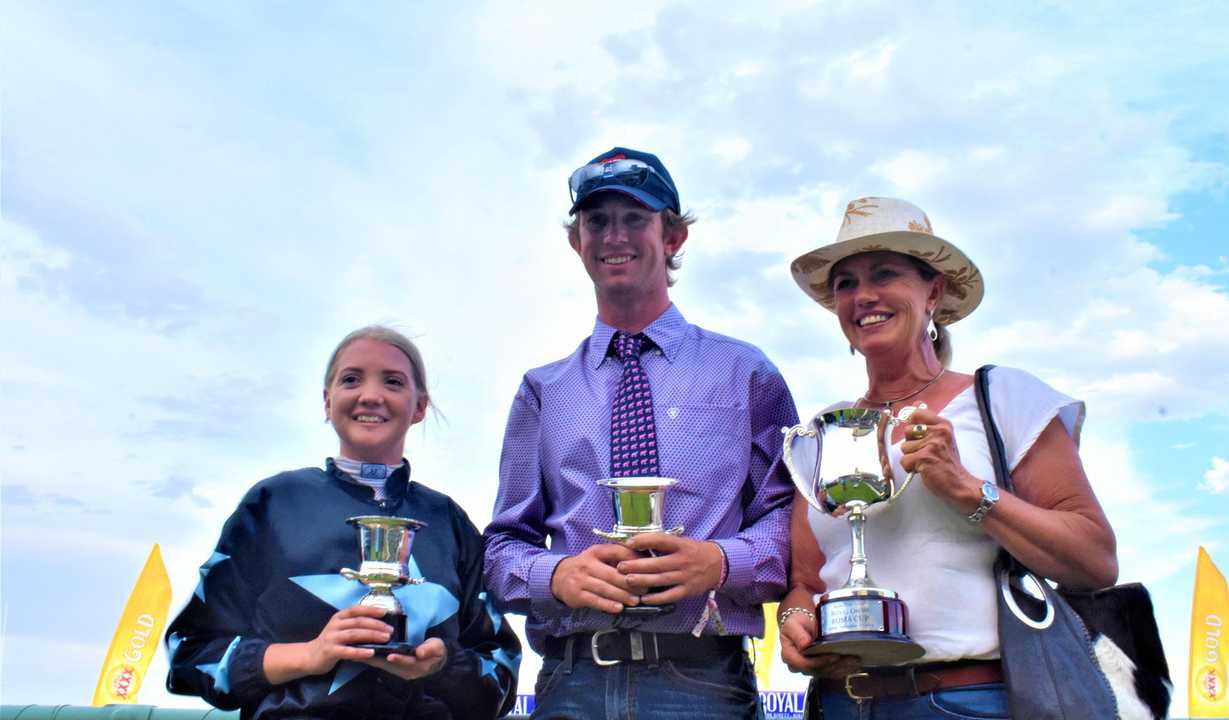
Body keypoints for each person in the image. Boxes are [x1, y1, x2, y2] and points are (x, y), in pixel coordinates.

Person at [483, 147, 799, 719]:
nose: (613, 236)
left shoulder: (746, 374)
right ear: (576, 241)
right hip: (573, 681)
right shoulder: (542, 391)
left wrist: (721, 563)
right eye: (596, 221)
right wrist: (556, 574)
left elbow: (790, 524)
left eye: (635, 218)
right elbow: (502, 547)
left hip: (703, 681)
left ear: (674, 236)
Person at [778, 197, 1118, 718]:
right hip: (841, 703)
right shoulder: (824, 431)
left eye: (884, 274)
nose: (863, 295)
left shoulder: (1002, 397)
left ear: (933, 290)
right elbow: (805, 579)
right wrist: (795, 621)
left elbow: (1095, 561)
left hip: (970, 699)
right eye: (845, 283)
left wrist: (964, 486)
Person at [166, 326, 521, 720]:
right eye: (351, 379)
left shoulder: (448, 521)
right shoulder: (273, 503)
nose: (371, 395)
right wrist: (310, 655)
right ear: (327, 400)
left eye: (393, 381)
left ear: (419, 406)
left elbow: (501, 676)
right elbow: (191, 652)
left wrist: (442, 666)